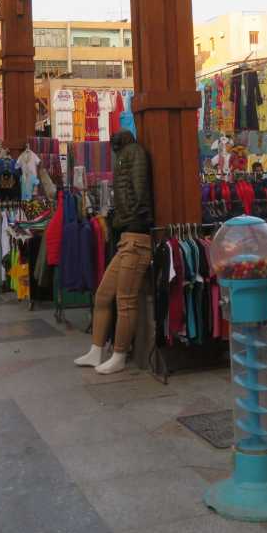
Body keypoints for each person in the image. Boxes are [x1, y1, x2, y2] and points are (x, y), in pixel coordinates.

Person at [75, 129, 154, 374]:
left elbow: (139, 189)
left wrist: (135, 216)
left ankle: (119, 355)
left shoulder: (134, 153)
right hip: (126, 236)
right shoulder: (126, 154)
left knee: (125, 301)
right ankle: (96, 350)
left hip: (137, 237)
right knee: (103, 295)